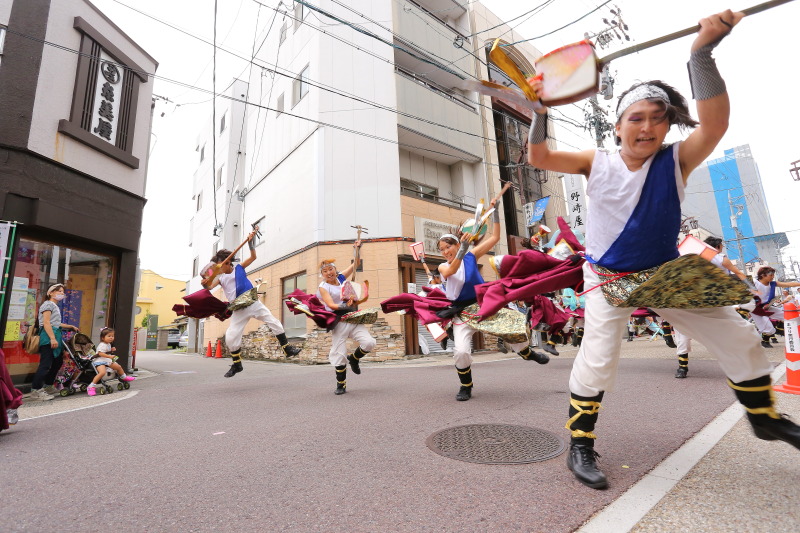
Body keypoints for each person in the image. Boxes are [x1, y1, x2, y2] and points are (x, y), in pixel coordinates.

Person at [527, 9, 800, 490]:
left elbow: (714, 125)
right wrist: (540, 112)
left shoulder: (677, 159)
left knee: (738, 337)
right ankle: (580, 444)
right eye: (637, 118)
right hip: (606, 278)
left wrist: (701, 54)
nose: (647, 127)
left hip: (663, 274)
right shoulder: (598, 162)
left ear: (667, 125)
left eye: (658, 118)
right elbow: (541, 157)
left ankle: (763, 417)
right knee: (599, 355)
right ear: (617, 126)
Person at [437, 199, 541, 401]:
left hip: (484, 306)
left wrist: (495, 212)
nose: (443, 252)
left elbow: (495, 237)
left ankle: (528, 353)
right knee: (461, 352)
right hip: (462, 313)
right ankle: (466, 386)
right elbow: (451, 270)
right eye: (440, 249)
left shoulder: (471, 255)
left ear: (456, 244)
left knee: (513, 326)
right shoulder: (443, 266)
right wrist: (462, 249)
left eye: (446, 247)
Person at [202, 228, 301, 378]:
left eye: (227, 264)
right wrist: (205, 283)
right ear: (219, 266)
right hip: (238, 309)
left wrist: (250, 243)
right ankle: (237, 364)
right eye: (223, 265)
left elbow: (253, 257)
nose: (226, 267)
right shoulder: (220, 278)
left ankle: (287, 349)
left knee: (272, 321)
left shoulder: (240, 268)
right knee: (231, 336)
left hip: (252, 302)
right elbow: (208, 287)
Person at [673, 236, 753, 377]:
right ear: (717, 246)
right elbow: (739, 273)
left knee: (685, 332)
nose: (722, 247)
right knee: (685, 332)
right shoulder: (715, 259)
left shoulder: (698, 259)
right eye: (721, 245)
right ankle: (682, 367)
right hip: (696, 301)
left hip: (708, 302)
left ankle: (682, 368)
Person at [317, 240, 377, 395]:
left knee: (369, 342)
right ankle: (341, 384)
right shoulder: (323, 287)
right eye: (325, 271)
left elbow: (356, 263)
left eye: (331, 269)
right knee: (339, 353)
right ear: (322, 274)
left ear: (335, 270)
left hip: (353, 318)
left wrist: (357, 249)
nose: (329, 272)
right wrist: (346, 304)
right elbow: (331, 304)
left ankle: (355, 358)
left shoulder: (342, 277)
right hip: (339, 321)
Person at [28, 284, 79, 401]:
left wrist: (70, 326)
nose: (61, 293)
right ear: (50, 293)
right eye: (59, 291)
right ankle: (36, 390)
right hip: (48, 337)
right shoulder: (48, 305)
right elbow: (46, 323)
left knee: (57, 362)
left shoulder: (54, 306)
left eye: (62, 292)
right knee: (45, 365)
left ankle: (48, 386)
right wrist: (52, 338)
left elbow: (55, 323)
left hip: (55, 335)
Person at [750, 266, 800, 348]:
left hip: (767, 307)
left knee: (790, 316)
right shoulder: (754, 282)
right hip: (755, 310)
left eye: (773, 275)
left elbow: (789, 284)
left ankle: (794, 335)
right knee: (769, 330)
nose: (773, 277)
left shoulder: (772, 284)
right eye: (771, 275)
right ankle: (766, 336)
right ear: (762, 275)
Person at [86, 328, 135, 396]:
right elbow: (100, 354)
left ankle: (123, 377)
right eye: (109, 336)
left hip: (107, 360)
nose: (111, 338)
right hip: (100, 361)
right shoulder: (102, 344)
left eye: (112, 336)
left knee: (118, 367)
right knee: (102, 372)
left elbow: (106, 352)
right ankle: (91, 386)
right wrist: (109, 356)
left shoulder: (108, 344)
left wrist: (111, 350)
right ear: (103, 338)